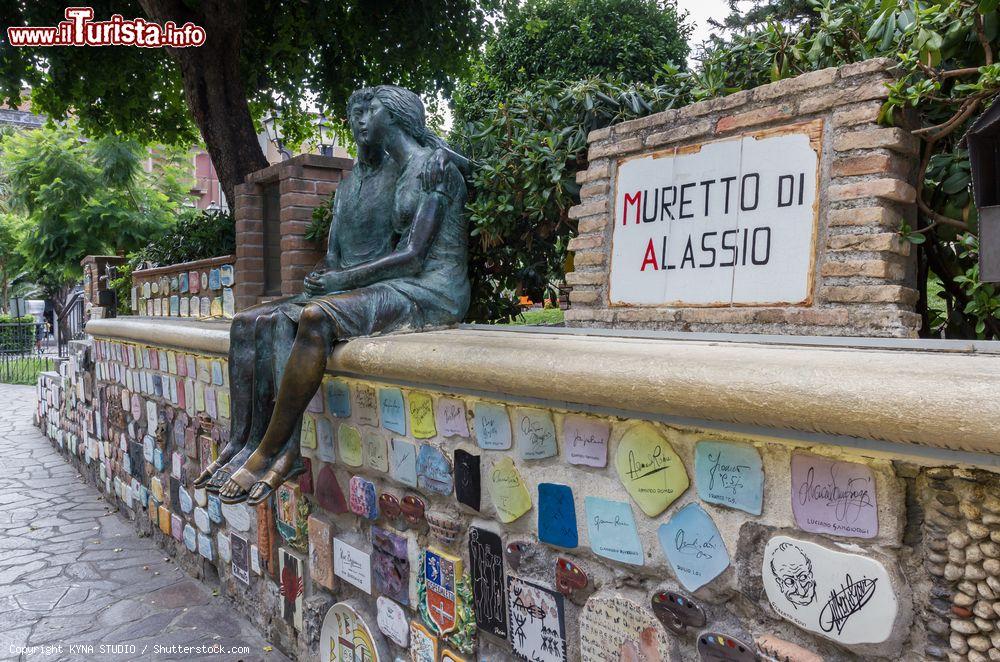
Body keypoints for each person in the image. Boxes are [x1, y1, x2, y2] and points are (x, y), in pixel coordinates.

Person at [195, 86, 469, 505]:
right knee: (251, 320)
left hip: (434, 292)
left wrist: (341, 283)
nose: (358, 121)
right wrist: (329, 276)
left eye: (369, 110)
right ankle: (245, 442)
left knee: (314, 318)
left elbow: (413, 255)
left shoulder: (434, 168)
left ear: (394, 113)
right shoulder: (406, 169)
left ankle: (276, 449)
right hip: (402, 284)